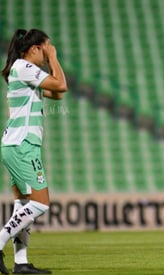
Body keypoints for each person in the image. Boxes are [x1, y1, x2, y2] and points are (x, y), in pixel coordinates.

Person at [0, 28, 67, 274]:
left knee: (23, 205)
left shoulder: (24, 72)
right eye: (46, 47)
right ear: (34, 49)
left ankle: (21, 263)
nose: (49, 51)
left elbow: (57, 94)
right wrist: (53, 58)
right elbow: (61, 84)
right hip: (22, 146)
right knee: (41, 203)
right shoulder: (25, 67)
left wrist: (49, 59)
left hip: (17, 145)